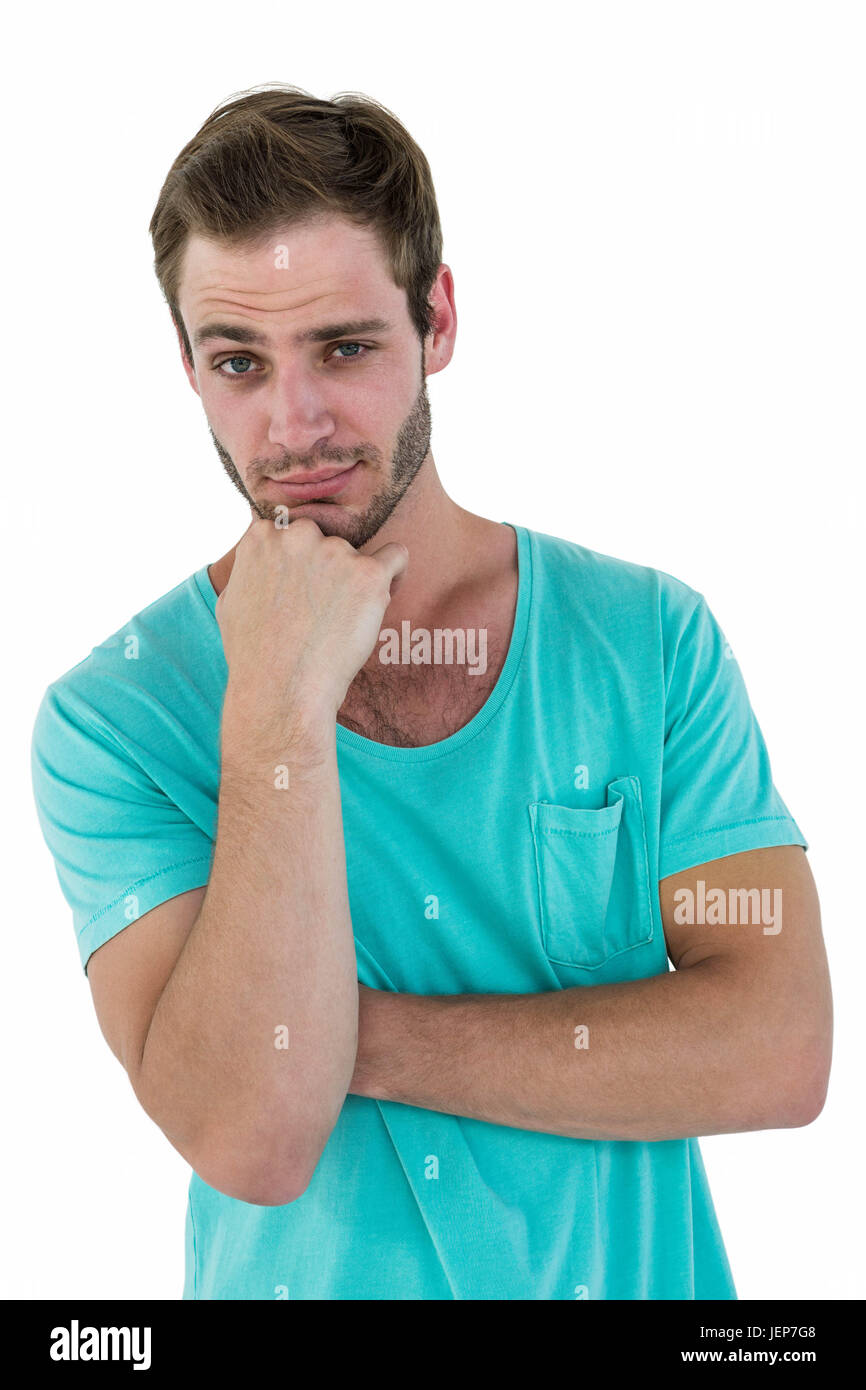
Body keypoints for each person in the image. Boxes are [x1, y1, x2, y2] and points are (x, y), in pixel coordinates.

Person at [31, 84, 832, 1301]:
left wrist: (353, 1036)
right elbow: (252, 1133)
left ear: (437, 317)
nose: (293, 424)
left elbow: (776, 1046)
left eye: (344, 347)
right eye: (238, 360)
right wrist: (278, 714)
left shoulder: (646, 643)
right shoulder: (114, 722)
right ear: (188, 367)